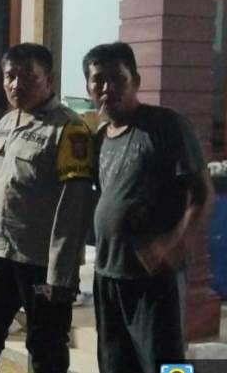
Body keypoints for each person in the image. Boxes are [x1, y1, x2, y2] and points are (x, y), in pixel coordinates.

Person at [82, 42, 214, 373]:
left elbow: (202, 192)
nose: (107, 88)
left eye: (117, 78)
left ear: (136, 81)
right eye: (98, 80)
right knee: (115, 363)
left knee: (166, 363)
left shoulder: (166, 126)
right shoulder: (100, 139)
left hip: (154, 278)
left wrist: (174, 245)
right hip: (108, 274)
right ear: (88, 89)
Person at [0, 43, 95, 373]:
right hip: (1, 253)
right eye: (10, 76)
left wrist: (61, 274)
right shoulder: (6, 123)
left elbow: (73, 209)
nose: (16, 84)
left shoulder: (69, 130)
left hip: (41, 263)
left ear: (48, 79)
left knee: (46, 340)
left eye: (27, 77)